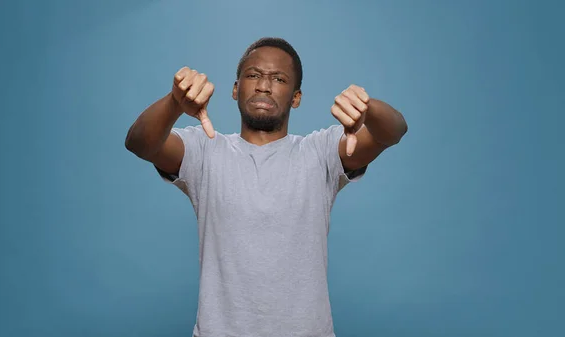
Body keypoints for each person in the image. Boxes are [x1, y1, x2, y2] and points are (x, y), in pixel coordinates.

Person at [125, 37, 408, 337]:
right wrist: (174, 103)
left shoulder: (320, 152)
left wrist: (369, 109)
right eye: (253, 75)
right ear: (236, 89)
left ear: (296, 98)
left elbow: (393, 131)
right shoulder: (204, 151)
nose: (264, 85)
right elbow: (139, 143)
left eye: (279, 78)